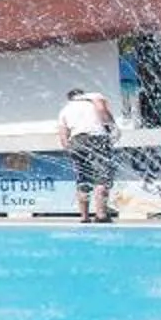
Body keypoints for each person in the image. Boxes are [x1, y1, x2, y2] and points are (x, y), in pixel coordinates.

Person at [57, 86, 120, 223]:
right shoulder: (93, 99)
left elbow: (63, 138)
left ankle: (84, 217)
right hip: (97, 138)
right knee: (102, 177)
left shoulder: (65, 110)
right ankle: (101, 215)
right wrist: (113, 128)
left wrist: (72, 150)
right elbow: (103, 111)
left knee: (82, 179)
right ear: (82, 95)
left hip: (76, 141)